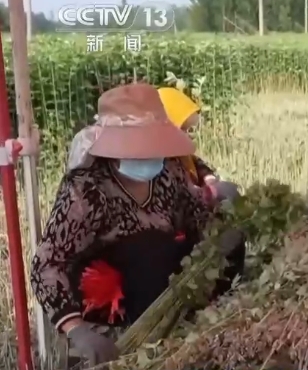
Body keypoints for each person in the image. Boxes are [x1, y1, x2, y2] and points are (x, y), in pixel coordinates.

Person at [31, 83, 245, 366]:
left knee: (220, 242)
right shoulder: (87, 190)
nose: (148, 153)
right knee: (148, 249)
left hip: (163, 283)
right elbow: (46, 264)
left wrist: (220, 227)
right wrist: (76, 330)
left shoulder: (169, 172)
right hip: (111, 297)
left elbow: (196, 218)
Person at [158, 87, 219, 187]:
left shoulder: (182, 153)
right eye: (183, 129)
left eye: (189, 129)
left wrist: (208, 177)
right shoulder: (158, 164)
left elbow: (196, 162)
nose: (188, 135)